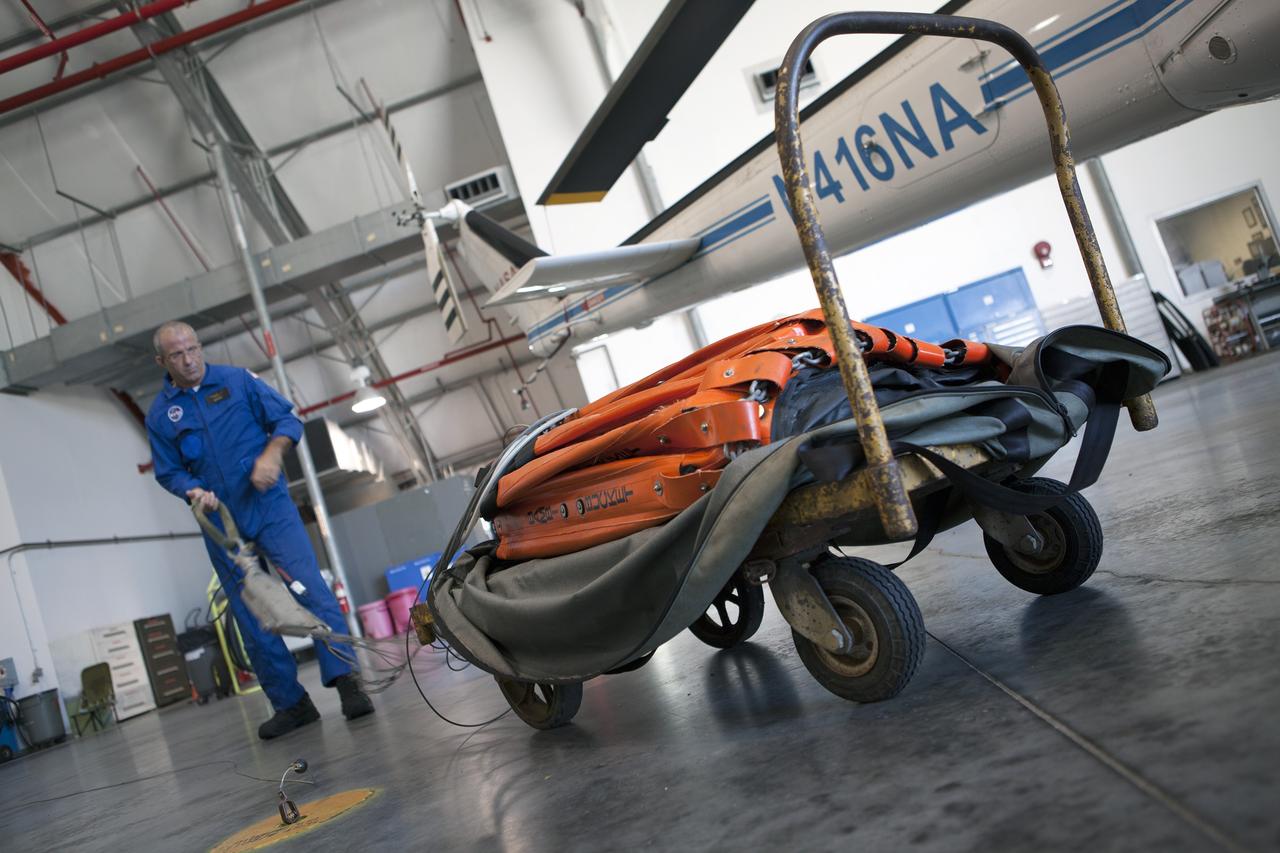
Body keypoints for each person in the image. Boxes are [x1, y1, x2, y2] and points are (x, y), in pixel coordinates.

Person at [145, 320, 373, 739]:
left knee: (310, 590)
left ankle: (348, 682)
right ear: (162, 361)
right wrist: (192, 489)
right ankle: (291, 704)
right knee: (253, 613)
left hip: (268, 507)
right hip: (221, 521)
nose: (189, 360)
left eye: (193, 349)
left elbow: (287, 421)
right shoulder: (161, 415)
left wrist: (272, 454)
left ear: (200, 346)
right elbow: (168, 471)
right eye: (177, 355)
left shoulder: (237, 381)